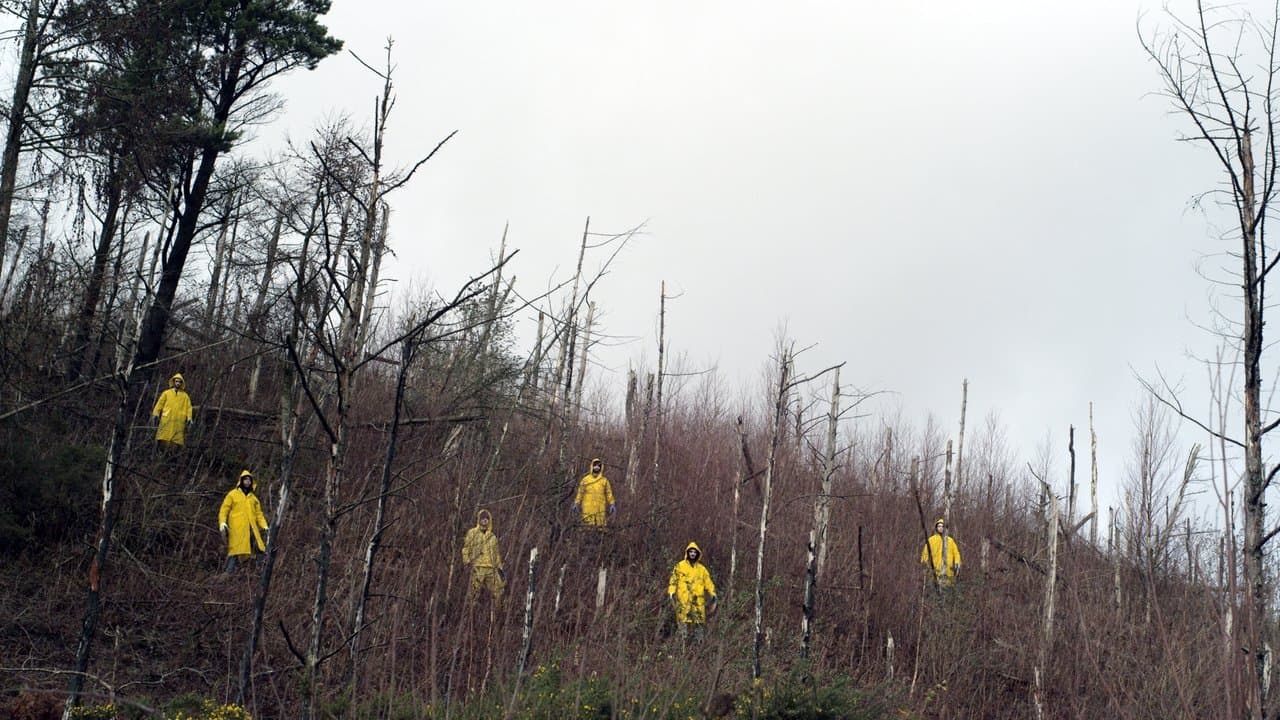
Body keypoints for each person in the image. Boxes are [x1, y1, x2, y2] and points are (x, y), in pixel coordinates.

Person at [219, 470, 269, 573]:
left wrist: (265, 526)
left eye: (249, 479)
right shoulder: (232, 495)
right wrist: (222, 522)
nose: (247, 482)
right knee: (236, 551)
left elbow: (259, 515)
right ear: (241, 480)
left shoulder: (254, 499)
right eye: (245, 479)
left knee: (259, 550)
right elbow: (224, 510)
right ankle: (228, 574)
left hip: (252, 530)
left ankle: (258, 573)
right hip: (237, 530)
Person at [667, 541, 717, 640]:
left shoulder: (702, 569)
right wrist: (671, 592)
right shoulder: (680, 566)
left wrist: (712, 593)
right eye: (691, 552)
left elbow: (708, 583)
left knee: (698, 626)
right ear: (687, 553)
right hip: (684, 601)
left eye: (694, 552)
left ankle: (698, 647)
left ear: (697, 553)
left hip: (698, 602)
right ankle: (683, 649)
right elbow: (673, 581)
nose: (693, 554)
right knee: (683, 625)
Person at [462, 509, 504, 607]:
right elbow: (466, 548)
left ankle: (498, 611)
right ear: (479, 520)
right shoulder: (472, 533)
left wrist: (499, 568)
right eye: (483, 519)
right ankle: (470, 611)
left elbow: (496, 553)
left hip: (491, 567)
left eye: (487, 519)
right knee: (474, 591)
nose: (485, 521)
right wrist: (467, 561)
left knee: (498, 590)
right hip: (477, 567)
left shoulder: (492, 536)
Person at [151, 373, 194, 447]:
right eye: (176, 381)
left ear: (181, 383)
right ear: (173, 382)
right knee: (163, 439)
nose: (178, 383)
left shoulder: (185, 396)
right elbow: (159, 404)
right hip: (167, 419)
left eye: (179, 382)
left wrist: (189, 418)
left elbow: (189, 408)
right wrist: (156, 413)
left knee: (175, 441)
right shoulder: (166, 393)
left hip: (178, 421)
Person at [573, 457, 616, 528]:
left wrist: (612, 503)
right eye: (595, 465)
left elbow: (609, 493)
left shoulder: (604, 480)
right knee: (587, 527)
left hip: (600, 508)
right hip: (587, 507)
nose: (596, 467)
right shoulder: (585, 480)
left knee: (599, 528)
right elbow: (580, 493)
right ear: (592, 466)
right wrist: (577, 503)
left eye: (598, 466)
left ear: (601, 467)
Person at [920, 518, 962, 586]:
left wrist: (957, 562)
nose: (941, 528)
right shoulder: (931, 540)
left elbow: (956, 553)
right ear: (936, 528)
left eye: (942, 526)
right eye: (939, 526)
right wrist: (924, 563)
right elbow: (925, 553)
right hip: (935, 571)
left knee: (947, 588)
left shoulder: (950, 541)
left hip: (948, 571)